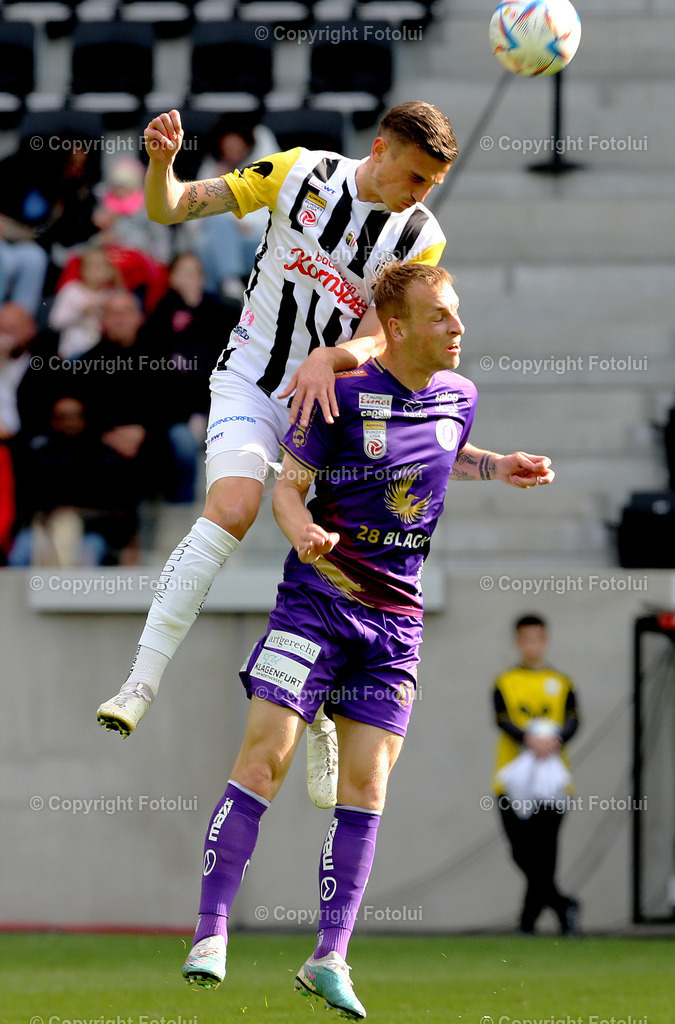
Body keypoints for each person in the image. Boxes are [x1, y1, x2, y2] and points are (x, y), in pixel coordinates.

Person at [180, 263, 555, 1018]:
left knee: (366, 789)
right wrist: (305, 531)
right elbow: (287, 485)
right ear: (400, 326)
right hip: (316, 603)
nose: (457, 328)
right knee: (265, 760)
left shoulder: (461, 395)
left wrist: (498, 465)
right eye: (441, 316)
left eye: (456, 313)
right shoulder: (339, 394)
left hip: (394, 624)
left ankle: (329, 958)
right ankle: (211, 931)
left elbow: (444, 451)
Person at [95, 100, 459, 810]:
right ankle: (139, 681)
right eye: (414, 177)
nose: (419, 194)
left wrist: (332, 355)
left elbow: (382, 336)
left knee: (336, 558)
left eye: (431, 185)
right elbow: (172, 210)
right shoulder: (297, 174)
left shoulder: (420, 233)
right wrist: (162, 165)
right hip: (251, 381)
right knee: (232, 509)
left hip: (331, 402)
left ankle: (320, 712)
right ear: (379, 150)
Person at [492, 614, 581, 936]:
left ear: (545, 641)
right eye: (526, 639)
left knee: (547, 853)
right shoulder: (505, 682)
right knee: (521, 851)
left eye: (537, 639)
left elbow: (573, 721)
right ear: (518, 643)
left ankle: (528, 922)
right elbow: (502, 719)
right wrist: (529, 739)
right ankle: (562, 904)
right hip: (513, 782)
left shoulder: (563, 683)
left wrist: (553, 741)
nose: (532, 645)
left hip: (553, 783)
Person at [49, 245, 125, 359]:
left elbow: (124, 303)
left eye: (101, 266)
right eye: (91, 265)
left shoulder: (109, 294)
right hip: (74, 351)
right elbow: (55, 322)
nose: (95, 270)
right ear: (81, 269)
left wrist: (117, 278)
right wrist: (81, 311)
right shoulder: (71, 290)